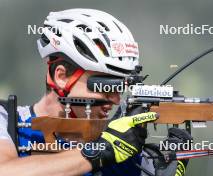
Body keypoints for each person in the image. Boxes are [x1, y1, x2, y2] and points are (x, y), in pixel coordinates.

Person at [0, 9, 190, 176]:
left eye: (121, 86)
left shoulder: (119, 148)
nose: (116, 99)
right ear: (62, 76)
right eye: (105, 84)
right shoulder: (5, 119)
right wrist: (100, 152)